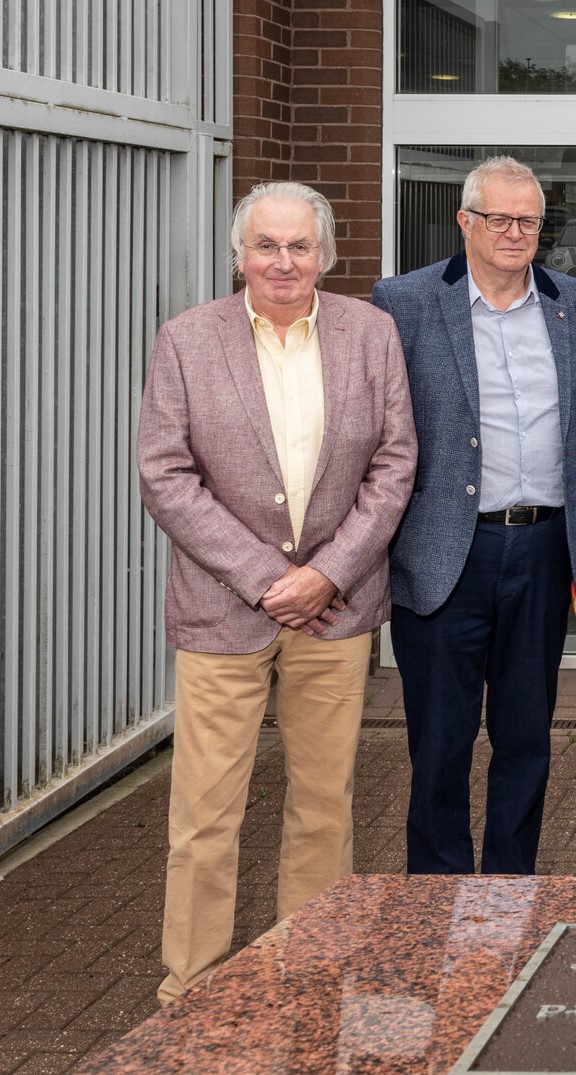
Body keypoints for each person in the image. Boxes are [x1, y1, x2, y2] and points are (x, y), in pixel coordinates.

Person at [138, 182, 416, 1003]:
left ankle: (312, 979)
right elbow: (164, 473)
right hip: (222, 612)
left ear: (327, 255)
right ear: (240, 254)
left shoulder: (372, 334)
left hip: (337, 612)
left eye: (300, 246)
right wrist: (266, 579)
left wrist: (328, 572)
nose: (284, 262)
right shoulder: (187, 340)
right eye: (267, 245)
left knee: (325, 806)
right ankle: (190, 991)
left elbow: (395, 465)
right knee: (203, 815)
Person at [372, 156, 576, 875]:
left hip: (541, 551)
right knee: (439, 740)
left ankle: (511, 891)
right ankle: (438, 897)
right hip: (445, 552)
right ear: (464, 222)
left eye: (528, 220)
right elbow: (386, 424)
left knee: (526, 736)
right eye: (498, 218)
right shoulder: (404, 302)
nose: (514, 232)